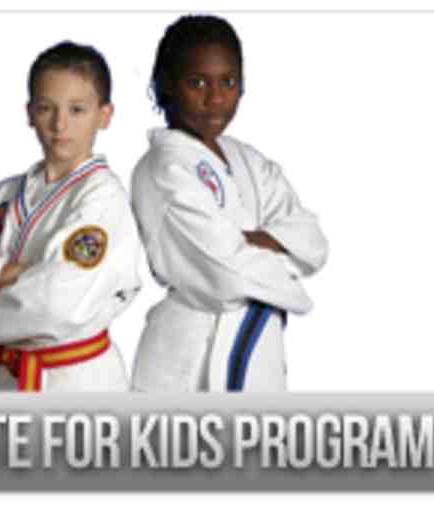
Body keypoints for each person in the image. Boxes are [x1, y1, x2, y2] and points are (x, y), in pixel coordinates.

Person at [131, 15, 328, 392]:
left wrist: (241, 243)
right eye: (197, 82)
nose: (216, 97)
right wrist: (278, 249)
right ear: (166, 83)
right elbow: (225, 275)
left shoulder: (249, 160)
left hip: (260, 343)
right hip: (188, 359)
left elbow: (314, 243)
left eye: (229, 81)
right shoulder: (163, 169)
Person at [0, 41, 141, 392]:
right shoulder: (2, 196)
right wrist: (13, 273)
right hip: (1, 377)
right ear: (30, 113)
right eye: (46, 108)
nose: (60, 123)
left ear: (104, 115)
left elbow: (58, 302)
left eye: (77, 110)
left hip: (75, 381)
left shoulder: (103, 199)